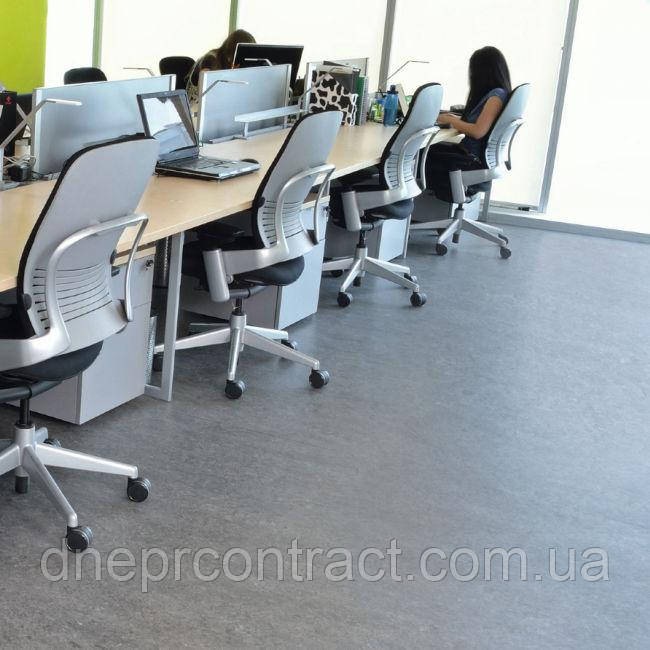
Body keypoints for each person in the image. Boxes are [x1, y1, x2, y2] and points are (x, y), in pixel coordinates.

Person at [425, 46, 511, 203]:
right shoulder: (500, 93)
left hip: (470, 161)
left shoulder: (496, 97)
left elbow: (478, 131)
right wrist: (455, 118)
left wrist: (451, 120)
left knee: (419, 155)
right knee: (428, 150)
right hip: (474, 157)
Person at [186, 29, 256, 105]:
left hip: (219, 104)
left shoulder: (232, 60)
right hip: (196, 106)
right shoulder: (211, 59)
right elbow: (205, 92)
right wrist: (233, 75)